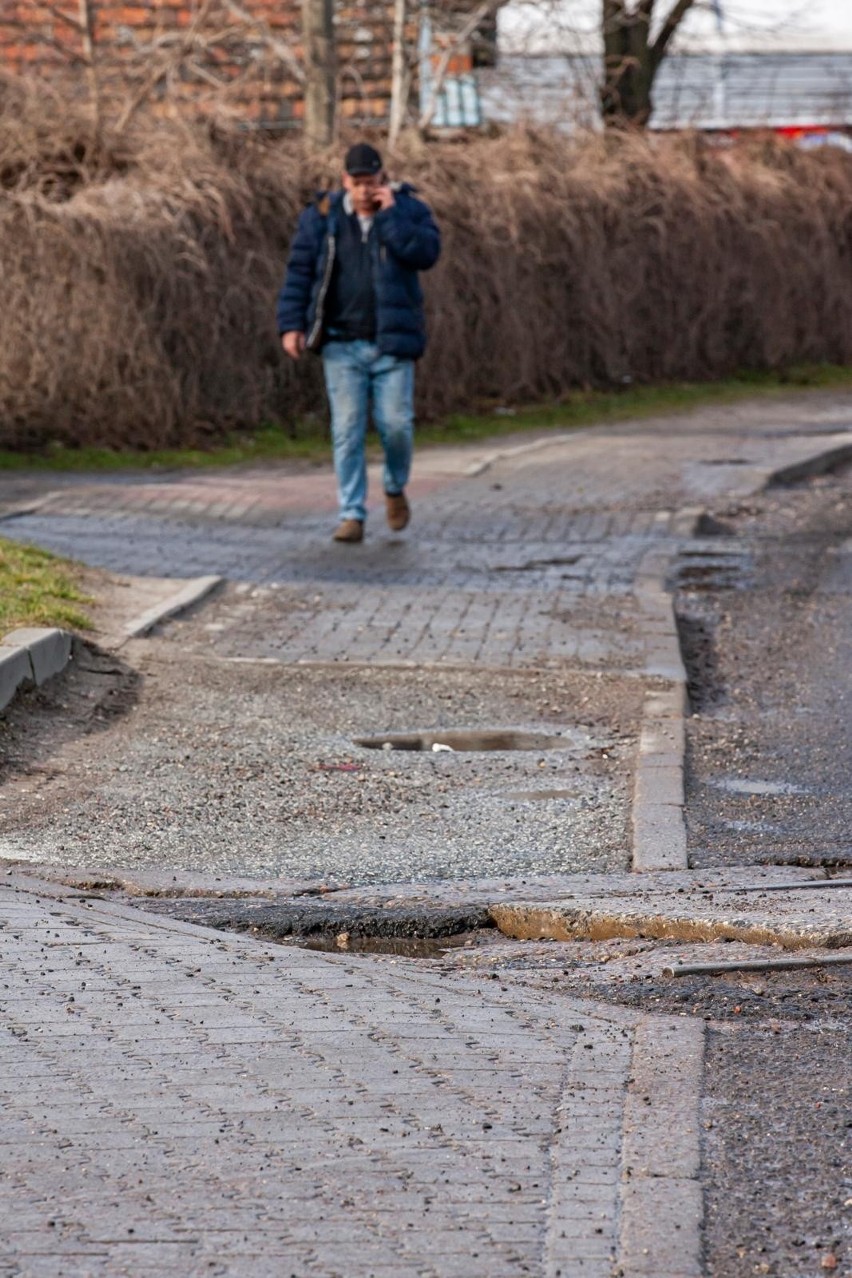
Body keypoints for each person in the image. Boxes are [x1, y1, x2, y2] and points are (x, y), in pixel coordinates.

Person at [276, 143, 441, 543]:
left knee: (397, 425)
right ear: (344, 181)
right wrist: (291, 326)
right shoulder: (322, 217)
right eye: (357, 183)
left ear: (383, 179)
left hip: (392, 344)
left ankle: (394, 487)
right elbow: (299, 272)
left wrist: (391, 218)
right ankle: (352, 513)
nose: (364, 191)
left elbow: (426, 254)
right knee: (347, 430)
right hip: (340, 343)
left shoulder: (409, 211)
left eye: (372, 182)